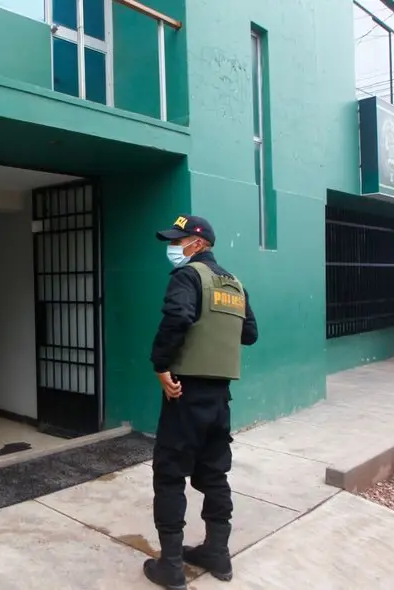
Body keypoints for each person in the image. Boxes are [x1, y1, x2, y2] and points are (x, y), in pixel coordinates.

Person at [143, 215, 259, 589]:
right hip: (219, 397)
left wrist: (161, 365)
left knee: (170, 473)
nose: (174, 247)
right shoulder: (235, 285)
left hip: (184, 392)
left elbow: (177, 317)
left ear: (198, 243)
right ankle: (217, 554)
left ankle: (171, 567)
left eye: (178, 241)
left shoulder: (188, 277)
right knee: (214, 473)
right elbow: (250, 334)